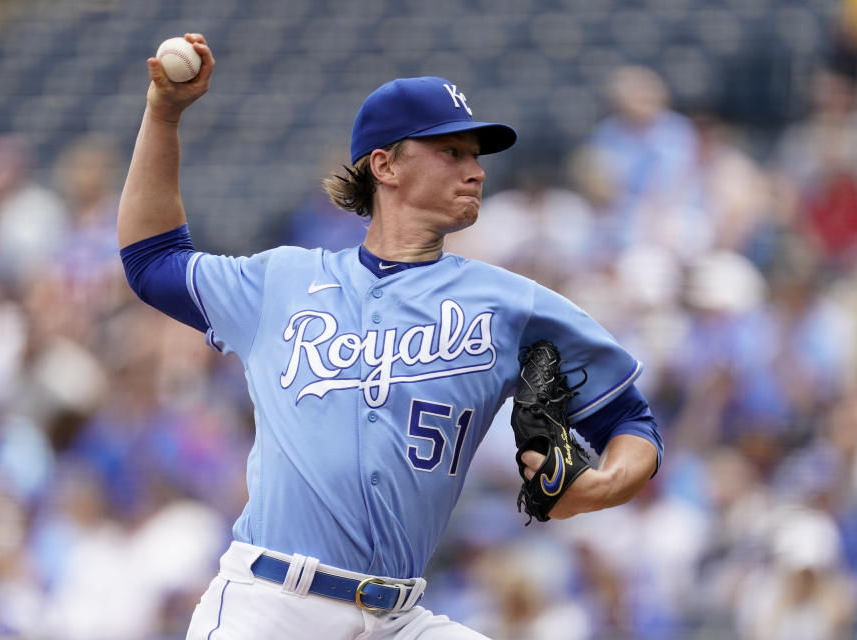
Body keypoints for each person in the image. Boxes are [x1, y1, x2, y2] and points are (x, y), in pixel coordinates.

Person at [117, 33, 663, 640]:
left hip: (398, 618)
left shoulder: (512, 305)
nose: (477, 171)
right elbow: (152, 260)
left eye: (476, 155)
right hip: (271, 605)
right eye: (452, 152)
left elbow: (631, 423)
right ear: (385, 165)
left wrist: (605, 484)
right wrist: (164, 114)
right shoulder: (282, 281)